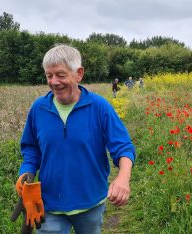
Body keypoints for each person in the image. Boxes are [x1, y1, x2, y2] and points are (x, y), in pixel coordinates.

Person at [12, 44, 136, 234]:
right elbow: (31, 148)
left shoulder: (99, 107)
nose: (54, 82)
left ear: (79, 74)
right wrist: (26, 172)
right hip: (49, 203)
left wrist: (123, 178)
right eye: (49, 75)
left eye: (61, 75)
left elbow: (124, 147)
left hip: (91, 203)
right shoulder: (39, 109)